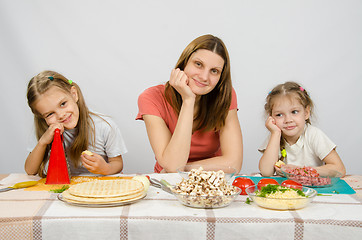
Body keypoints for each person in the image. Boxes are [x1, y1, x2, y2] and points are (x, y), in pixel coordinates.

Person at [136, 34, 243, 173]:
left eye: (214, 71)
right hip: (168, 183)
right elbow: (173, 164)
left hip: (211, 179)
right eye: (198, 64)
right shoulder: (151, 98)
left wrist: (185, 168)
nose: (204, 77)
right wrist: (188, 100)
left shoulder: (224, 96)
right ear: (184, 63)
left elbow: (234, 163)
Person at [25, 70, 127, 177]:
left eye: (63, 104)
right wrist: (43, 142)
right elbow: (30, 170)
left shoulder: (104, 126)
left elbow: (117, 164)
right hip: (66, 189)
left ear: (74, 94)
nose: (60, 115)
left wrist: (105, 168)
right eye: (50, 114)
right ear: (42, 117)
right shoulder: (46, 130)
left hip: (100, 188)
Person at [258, 81, 346, 177]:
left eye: (294, 112)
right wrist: (275, 134)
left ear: (306, 113)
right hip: (286, 189)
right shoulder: (276, 136)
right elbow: (266, 172)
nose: (288, 120)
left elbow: (340, 169)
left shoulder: (313, 135)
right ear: (271, 118)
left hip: (313, 189)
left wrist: (300, 171)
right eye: (279, 115)